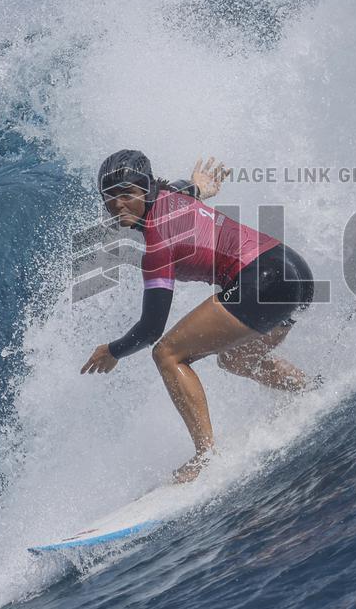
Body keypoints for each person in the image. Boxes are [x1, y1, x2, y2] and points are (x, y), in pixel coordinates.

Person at [81, 149, 317, 483]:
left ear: (146, 189)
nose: (118, 204)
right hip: (296, 273)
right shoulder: (170, 194)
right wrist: (199, 187)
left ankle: (206, 457)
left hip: (264, 280)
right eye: (110, 197)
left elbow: (150, 329)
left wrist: (113, 351)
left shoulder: (157, 244)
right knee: (235, 361)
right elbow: (185, 189)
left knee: (166, 352)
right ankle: (310, 390)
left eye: (127, 194)